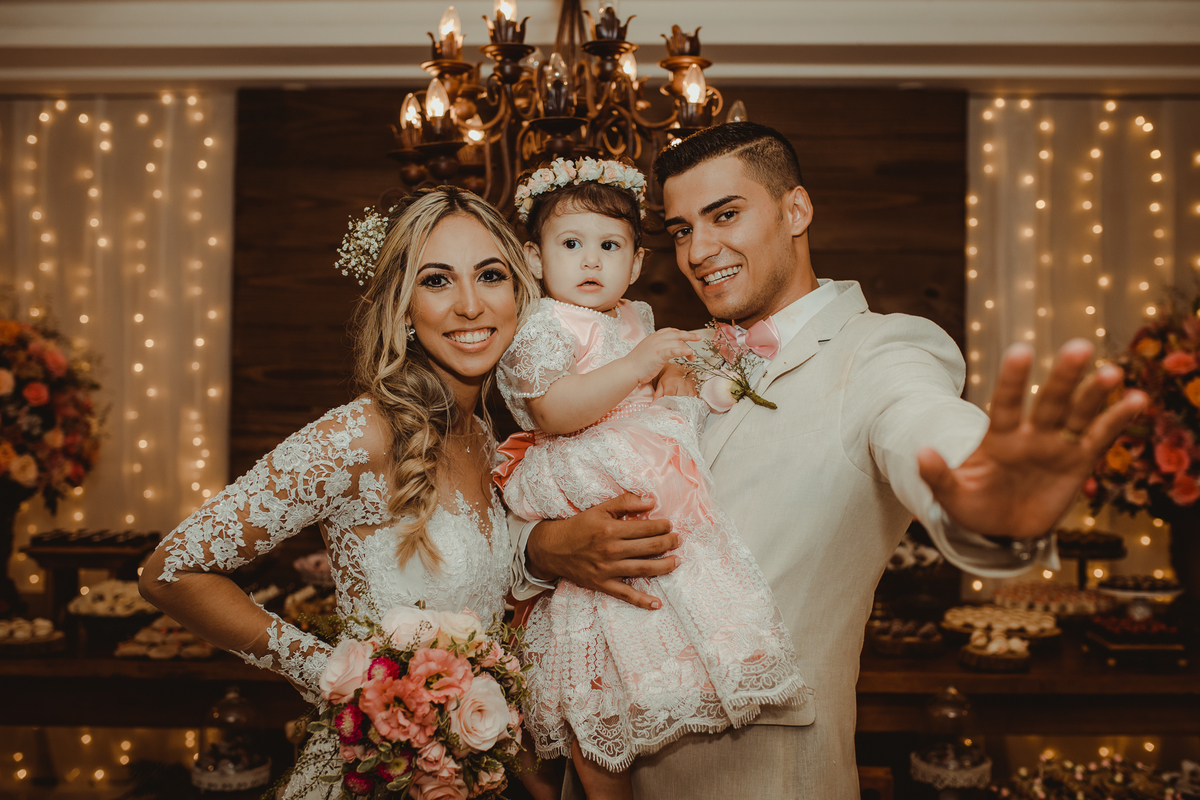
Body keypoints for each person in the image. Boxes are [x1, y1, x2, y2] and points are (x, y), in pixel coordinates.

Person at [510, 123, 1147, 798]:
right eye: (681, 230)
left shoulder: (879, 353)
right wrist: (544, 549)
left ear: (796, 210)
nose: (698, 251)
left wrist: (986, 500)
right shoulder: (663, 352)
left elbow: (921, 421)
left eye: (725, 215)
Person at [139, 186, 541, 799]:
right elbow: (169, 571)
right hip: (368, 778)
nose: (469, 304)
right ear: (403, 308)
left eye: (490, 275)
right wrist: (341, 677)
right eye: (436, 281)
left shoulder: (488, 440)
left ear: (519, 293)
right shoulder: (360, 435)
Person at [493, 158, 809, 800]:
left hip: (649, 463)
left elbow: (662, 375)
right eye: (570, 244)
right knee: (593, 649)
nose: (591, 261)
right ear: (534, 257)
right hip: (587, 462)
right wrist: (640, 366)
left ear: (636, 264)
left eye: (610, 247)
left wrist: (674, 376)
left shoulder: (633, 315)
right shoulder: (544, 325)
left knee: (650, 614)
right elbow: (554, 410)